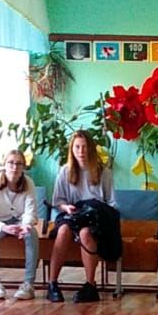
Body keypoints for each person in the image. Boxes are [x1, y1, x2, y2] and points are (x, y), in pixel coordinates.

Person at [47, 130, 114, 303]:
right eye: (77, 147)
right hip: (72, 213)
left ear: (91, 149)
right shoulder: (65, 171)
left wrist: (97, 211)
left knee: (86, 234)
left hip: (95, 215)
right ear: (72, 149)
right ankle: (52, 283)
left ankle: (91, 285)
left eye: (84, 147)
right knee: (63, 231)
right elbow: (58, 201)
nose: (81, 151)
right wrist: (66, 207)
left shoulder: (103, 172)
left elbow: (111, 203)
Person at [0, 149, 40, 301]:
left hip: (19, 222)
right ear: (4, 164)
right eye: (11, 163)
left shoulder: (28, 182)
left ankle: (28, 284)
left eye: (19, 164)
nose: (14, 167)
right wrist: (3, 227)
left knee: (32, 235)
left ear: (24, 167)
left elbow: (31, 209)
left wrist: (26, 226)